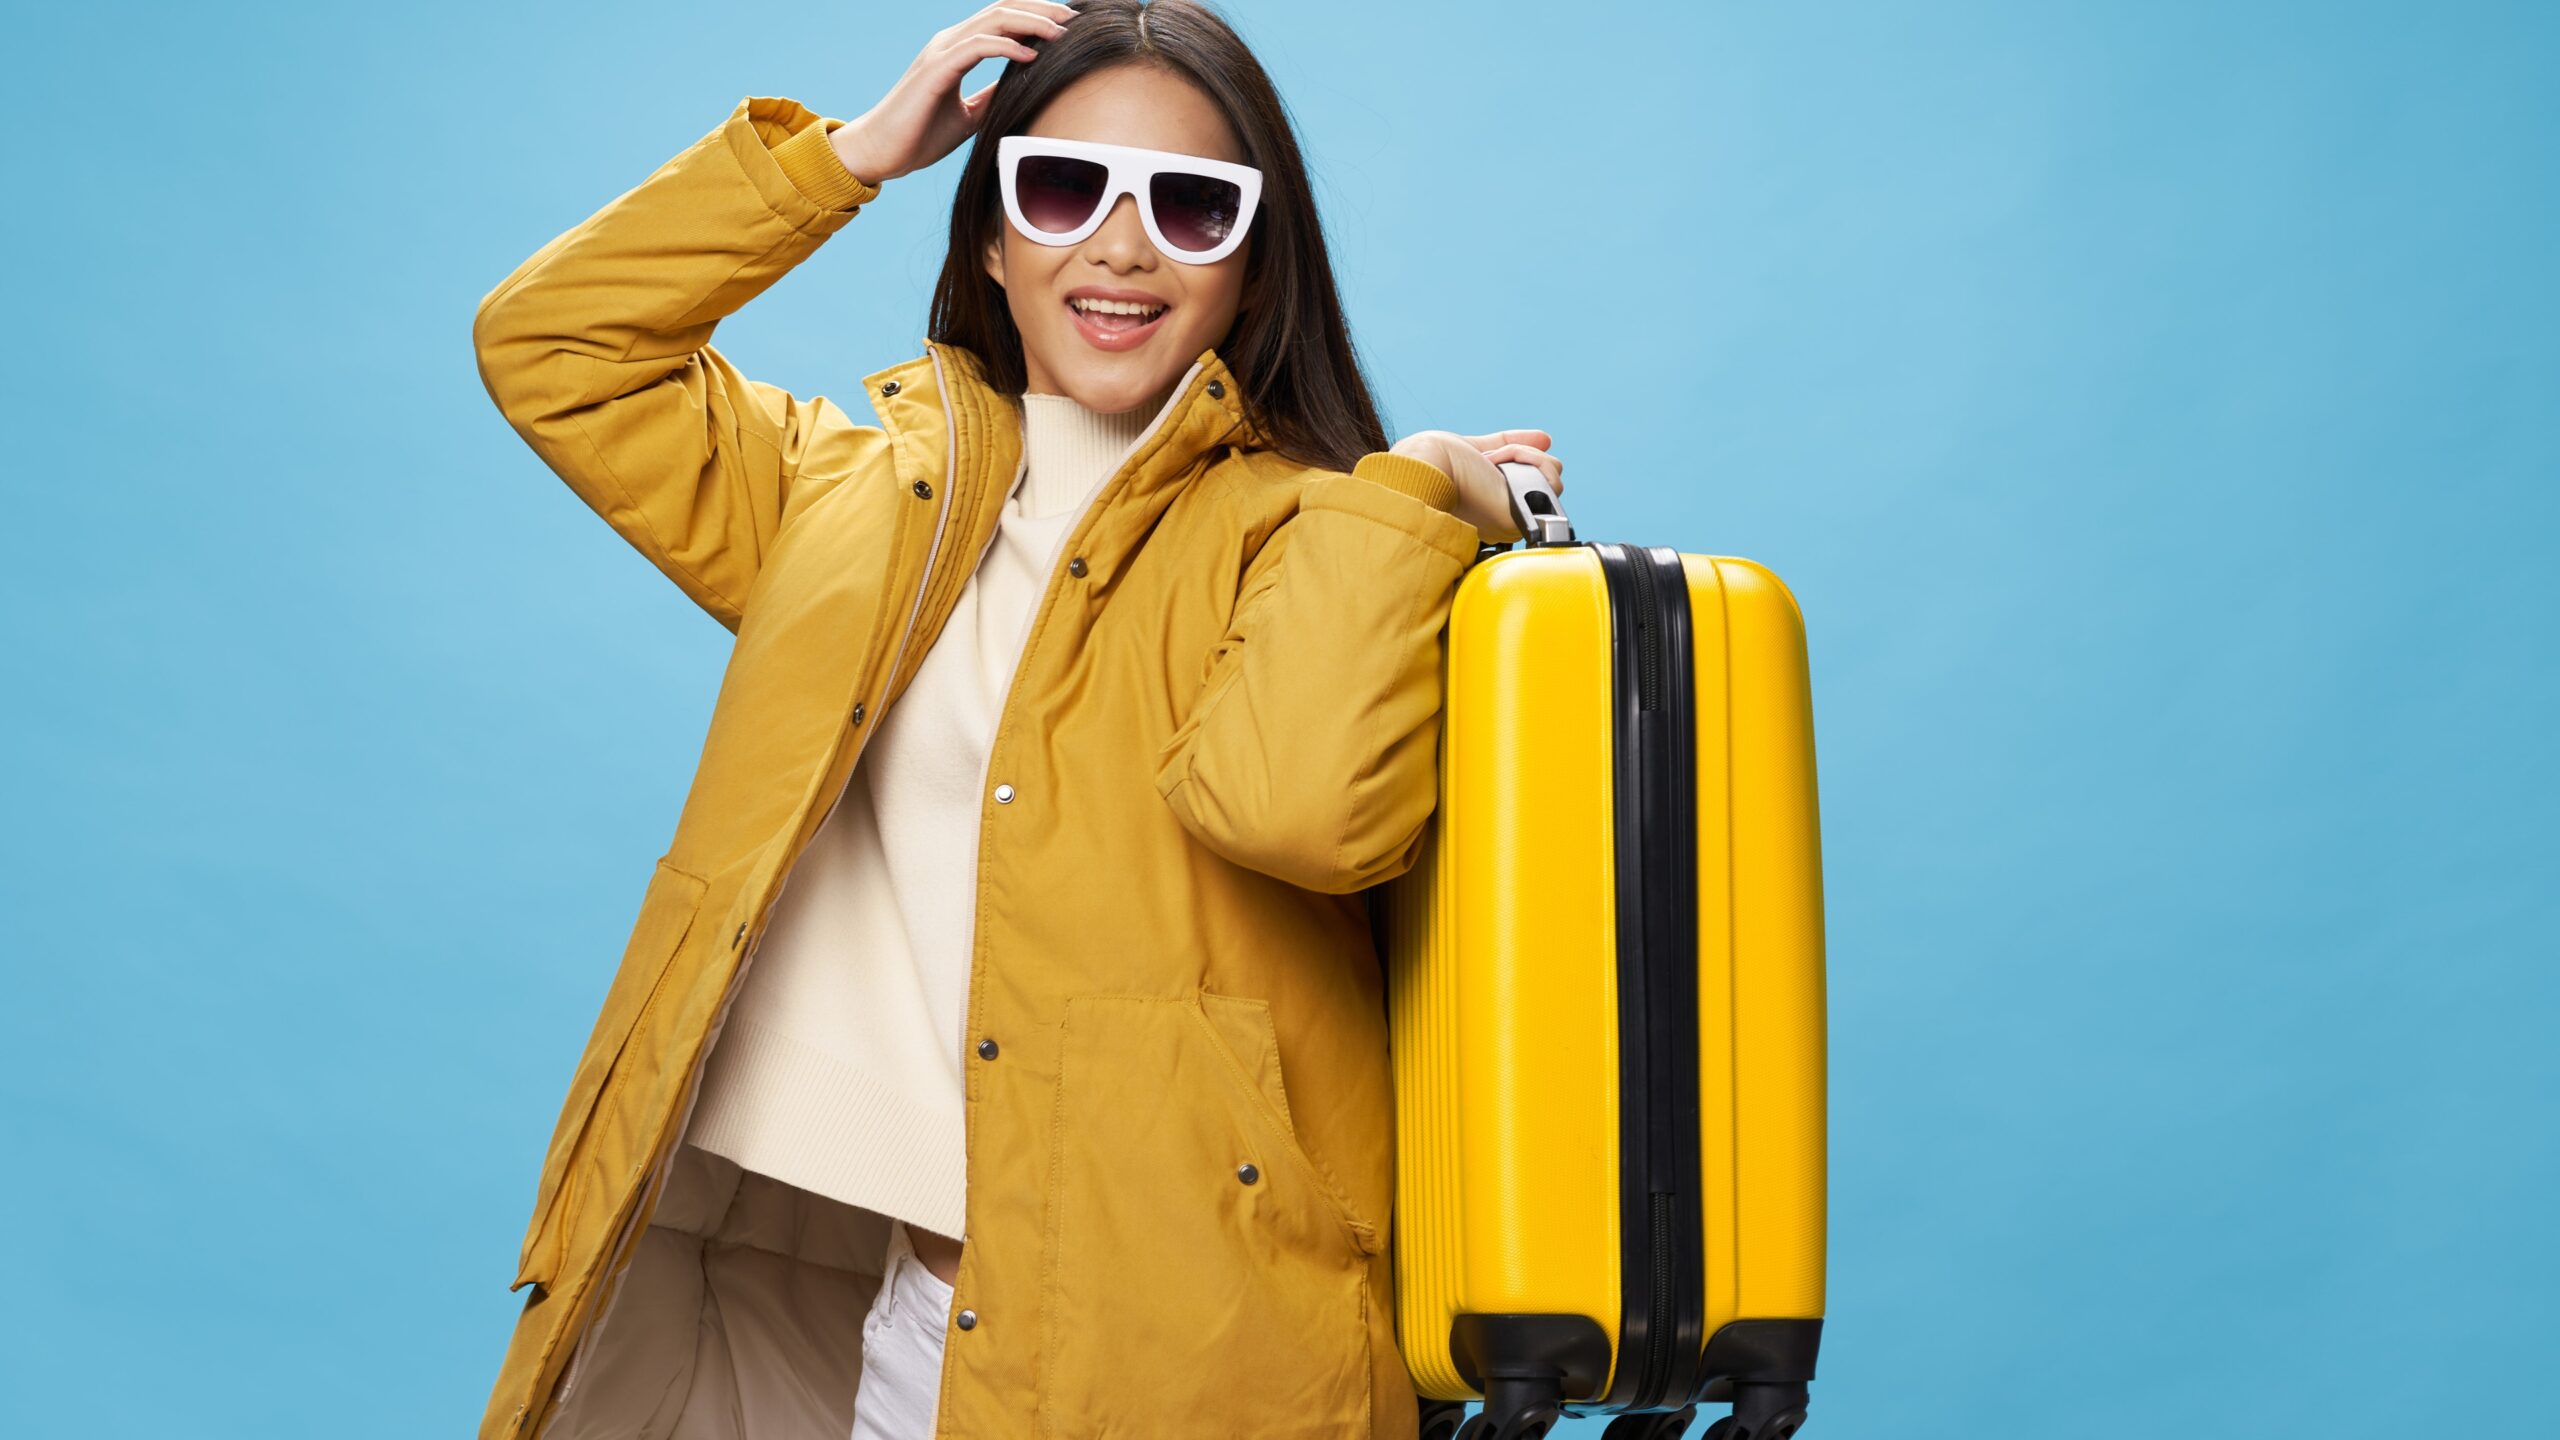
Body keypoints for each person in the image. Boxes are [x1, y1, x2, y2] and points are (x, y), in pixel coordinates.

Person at [469, 2, 1565, 1436]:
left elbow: (1295, 810)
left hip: (1167, 1325)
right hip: (822, 1287)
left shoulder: (1311, 537)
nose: (1120, 246)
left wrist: (1409, 493)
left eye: (1188, 207)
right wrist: (850, 158)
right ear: (992, 233)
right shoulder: (840, 507)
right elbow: (554, 343)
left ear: (1250, 263)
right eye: (1063, 187)